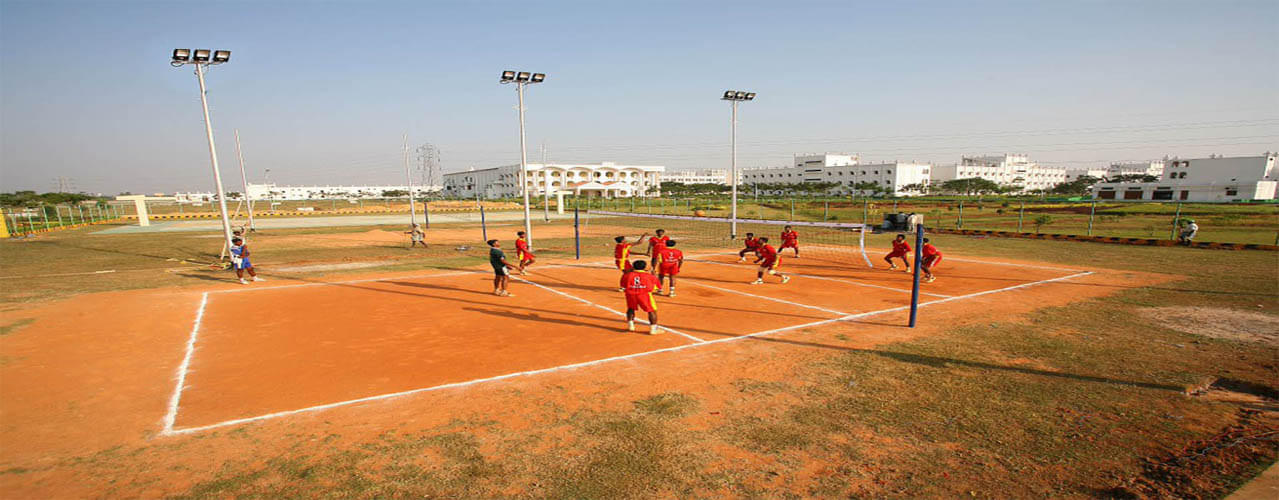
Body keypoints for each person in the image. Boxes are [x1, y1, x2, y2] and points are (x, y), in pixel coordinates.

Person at [621, 260, 662, 334]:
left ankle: (631, 326)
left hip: (630, 294)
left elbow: (623, 285)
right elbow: (657, 287)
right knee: (651, 310)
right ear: (644, 267)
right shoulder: (649, 276)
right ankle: (653, 329)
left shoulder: (627, 275)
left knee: (631, 308)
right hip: (644, 295)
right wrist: (654, 276)